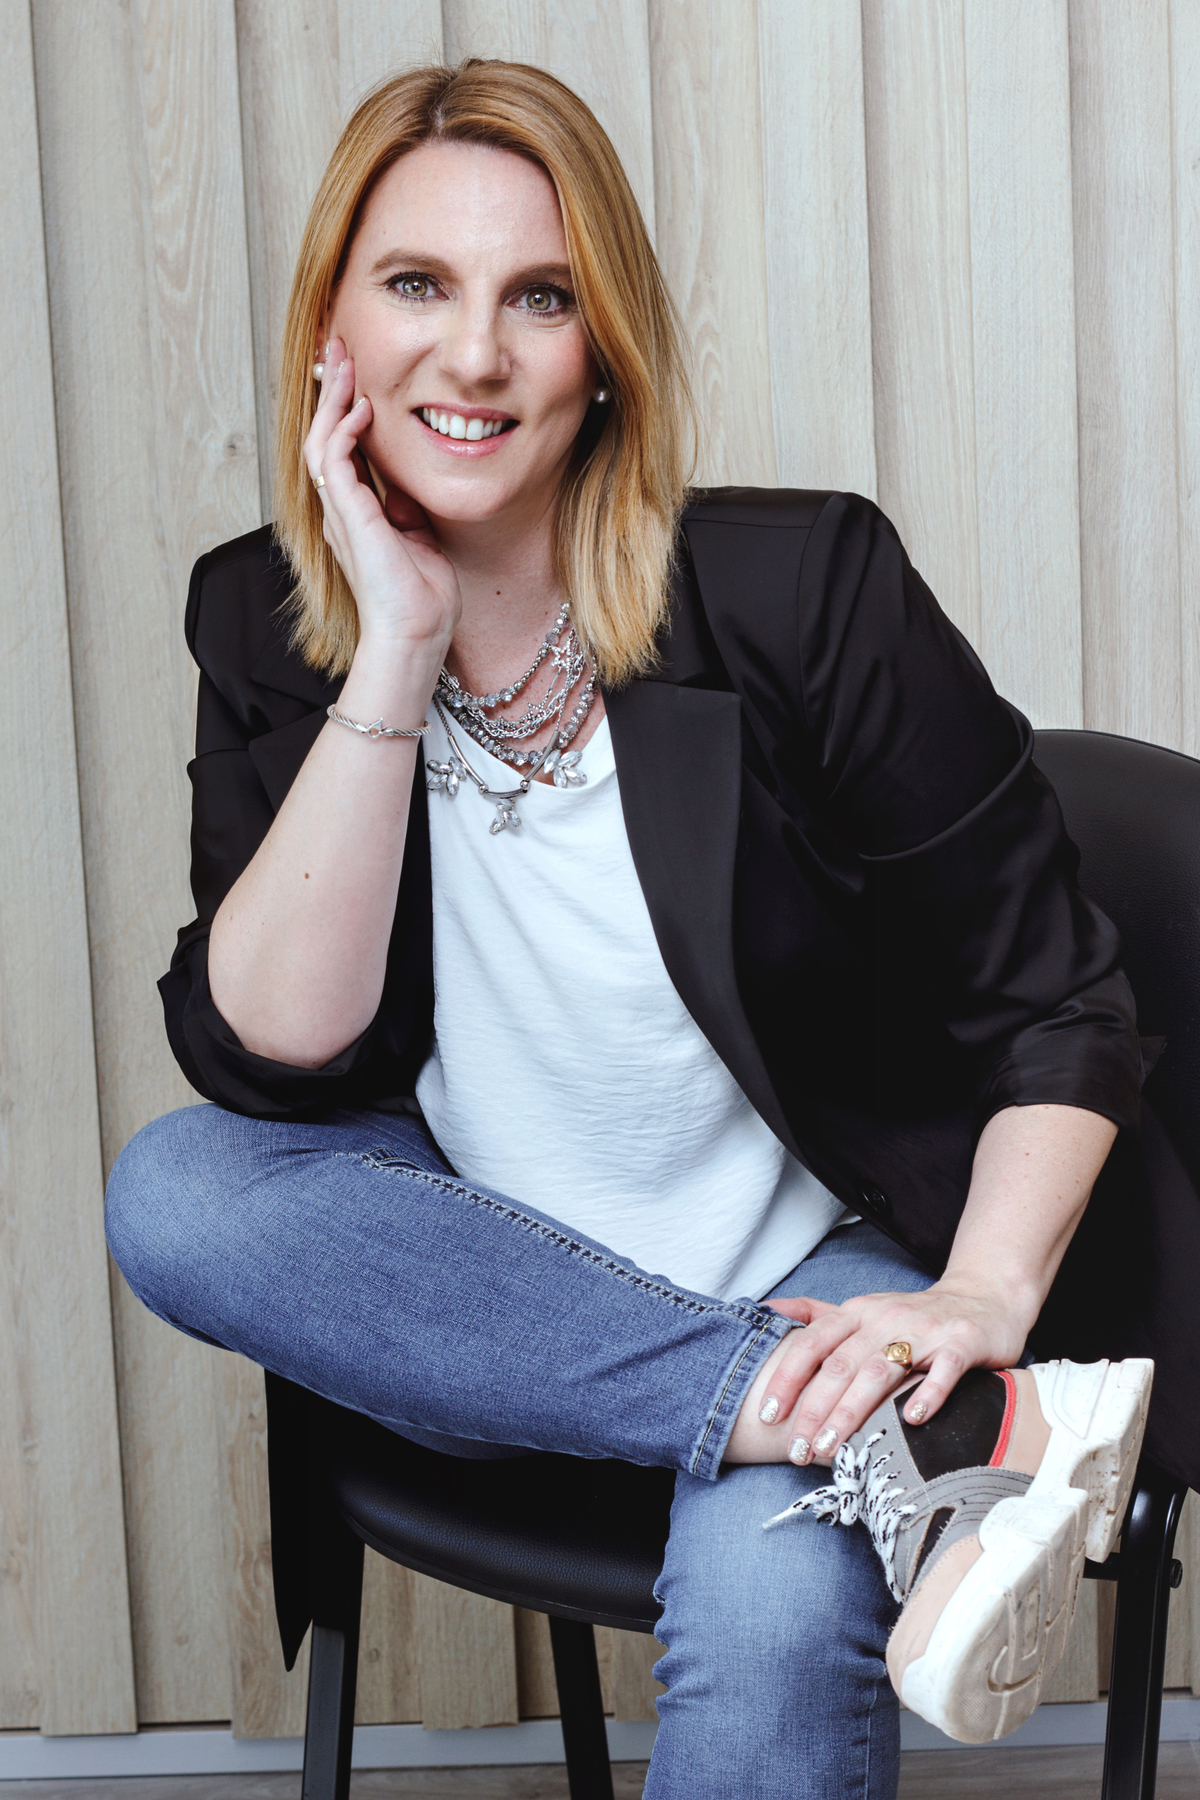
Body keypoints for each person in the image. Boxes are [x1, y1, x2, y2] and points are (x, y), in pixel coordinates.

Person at [105, 60, 1153, 1798]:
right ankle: (929, 1442)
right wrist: (395, 647)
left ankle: (862, 1412)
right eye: (417, 285)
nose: (474, 354)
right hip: (490, 1299)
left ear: (604, 354)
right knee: (177, 1189)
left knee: (767, 1614)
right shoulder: (261, 620)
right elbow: (275, 1052)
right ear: (332, 331)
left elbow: (1061, 1004)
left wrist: (975, 1294)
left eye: (541, 297)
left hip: (838, 1263)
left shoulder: (801, 594)